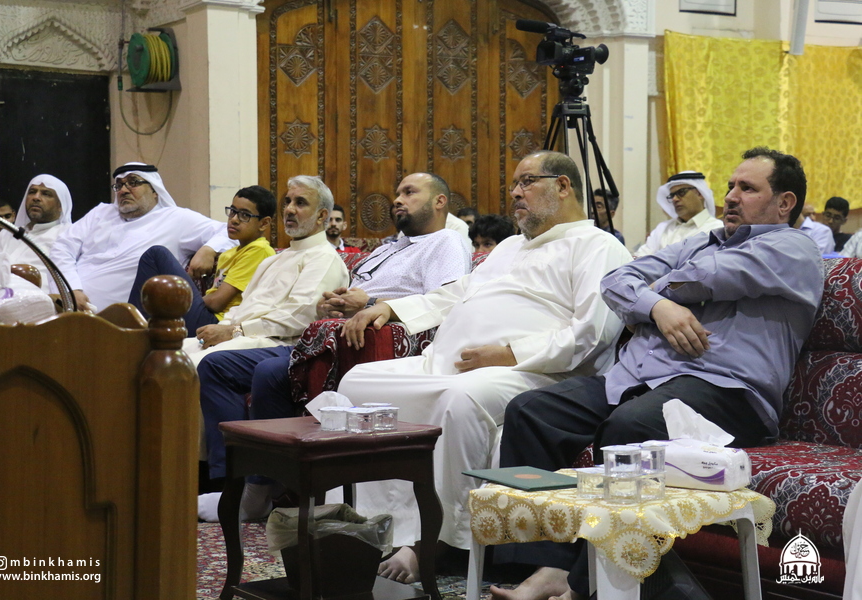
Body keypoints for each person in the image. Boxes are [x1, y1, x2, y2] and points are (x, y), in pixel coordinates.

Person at [491, 147, 823, 600]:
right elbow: (614, 281)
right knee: (532, 410)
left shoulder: (792, 248)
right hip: (639, 380)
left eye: (747, 188)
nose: (730, 196)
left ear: (784, 203)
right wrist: (659, 307)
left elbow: (707, 277)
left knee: (630, 429)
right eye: (730, 186)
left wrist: (650, 295)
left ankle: (587, 586)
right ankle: (547, 567)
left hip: (725, 391)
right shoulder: (702, 240)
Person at [331, 150, 633, 584]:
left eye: (527, 182)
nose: (515, 193)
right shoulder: (510, 246)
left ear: (563, 186)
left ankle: (437, 538)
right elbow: (456, 292)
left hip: (538, 371)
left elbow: (593, 333)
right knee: (357, 383)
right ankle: (369, 523)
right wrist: (392, 308)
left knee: (460, 400)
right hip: (451, 362)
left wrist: (509, 352)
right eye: (514, 184)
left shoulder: (599, 246)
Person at [195, 172, 471, 520]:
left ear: (439, 201)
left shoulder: (446, 242)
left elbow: (445, 301)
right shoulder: (390, 247)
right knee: (247, 370)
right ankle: (268, 487)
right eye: (397, 192)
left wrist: (371, 304)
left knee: (267, 372)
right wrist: (332, 306)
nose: (398, 199)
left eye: (410, 192)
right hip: (332, 334)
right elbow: (349, 295)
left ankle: (258, 490)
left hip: (371, 339)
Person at [182, 175, 348, 367]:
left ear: (321, 215)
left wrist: (236, 331)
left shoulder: (324, 258)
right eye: (287, 202)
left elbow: (298, 317)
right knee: (165, 353)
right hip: (239, 336)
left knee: (188, 365)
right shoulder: (273, 260)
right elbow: (244, 306)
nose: (289, 209)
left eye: (300, 203)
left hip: (274, 345)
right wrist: (220, 329)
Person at [50, 163, 235, 313]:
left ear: (155, 191)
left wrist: (208, 249)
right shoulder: (101, 213)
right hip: (67, 304)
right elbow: (62, 248)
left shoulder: (176, 219)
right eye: (119, 185)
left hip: (123, 321)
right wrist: (71, 290)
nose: (123, 190)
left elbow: (229, 233)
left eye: (133, 182)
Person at [126, 186, 277, 336]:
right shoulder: (229, 254)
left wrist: (176, 301)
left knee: (156, 254)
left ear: (264, 223)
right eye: (233, 211)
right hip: (205, 314)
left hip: (217, 323)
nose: (234, 219)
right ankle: (134, 328)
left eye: (244, 215)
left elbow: (217, 302)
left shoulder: (259, 250)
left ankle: (129, 329)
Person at [0, 175, 72, 294]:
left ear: (61, 205)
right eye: (32, 192)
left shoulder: (68, 235)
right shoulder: (9, 232)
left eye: (46, 194)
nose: (36, 197)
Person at [633, 171, 723, 257]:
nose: (675, 199)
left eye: (681, 192)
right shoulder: (662, 228)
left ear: (699, 193)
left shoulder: (716, 229)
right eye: (672, 195)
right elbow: (641, 257)